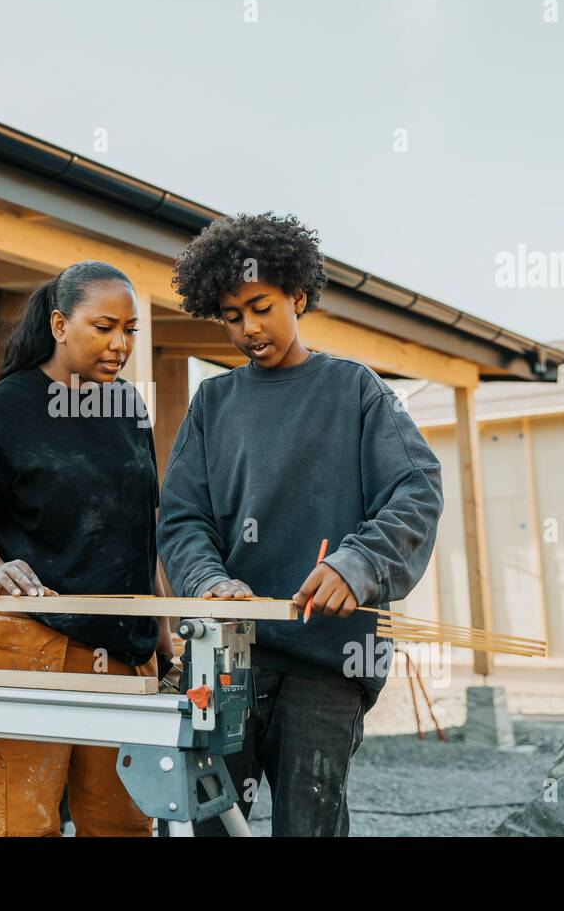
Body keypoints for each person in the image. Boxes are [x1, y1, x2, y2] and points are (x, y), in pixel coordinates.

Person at [157, 212, 444, 836]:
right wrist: (208, 582)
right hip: (228, 659)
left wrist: (359, 564)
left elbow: (416, 490)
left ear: (299, 295)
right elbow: (181, 519)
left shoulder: (355, 390)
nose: (249, 328)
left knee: (308, 828)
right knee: (207, 825)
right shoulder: (213, 405)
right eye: (231, 316)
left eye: (261, 306)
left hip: (328, 660)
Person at [0, 260, 174, 837]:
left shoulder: (129, 410)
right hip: (27, 645)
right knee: (21, 825)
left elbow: (141, 537)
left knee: (122, 826)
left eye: (130, 329)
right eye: (104, 326)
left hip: (123, 649)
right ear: (61, 324)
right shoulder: (0, 410)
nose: (120, 344)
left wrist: (164, 642)